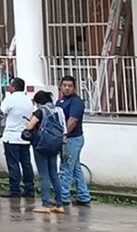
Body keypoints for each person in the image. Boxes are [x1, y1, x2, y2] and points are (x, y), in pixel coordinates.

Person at [25, 90, 67, 214]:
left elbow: (29, 126)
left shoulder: (40, 111)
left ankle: (45, 204)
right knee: (54, 174)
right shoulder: (59, 110)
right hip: (55, 144)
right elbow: (63, 128)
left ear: (38, 102)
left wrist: (28, 123)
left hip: (41, 145)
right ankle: (60, 204)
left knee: (44, 175)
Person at [58, 75, 92, 207]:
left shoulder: (76, 102)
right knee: (76, 168)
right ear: (60, 86)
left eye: (70, 86)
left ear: (74, 88)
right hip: (69, 139)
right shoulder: (61, 101)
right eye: (65, 85)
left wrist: (64, 134)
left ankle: (63, 197)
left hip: (72, 139)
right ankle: (83, 196)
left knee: (66, 168)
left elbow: (72, 120)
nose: (67, 88)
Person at [0, 76, 34, 198]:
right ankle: (29, 188)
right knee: (26, 163)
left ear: (13, 87)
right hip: (25, 136)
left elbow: (1, 112)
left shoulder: (10, 99)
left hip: (11, 136)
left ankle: (15, 189)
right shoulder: (28, 100)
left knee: (13, 164)